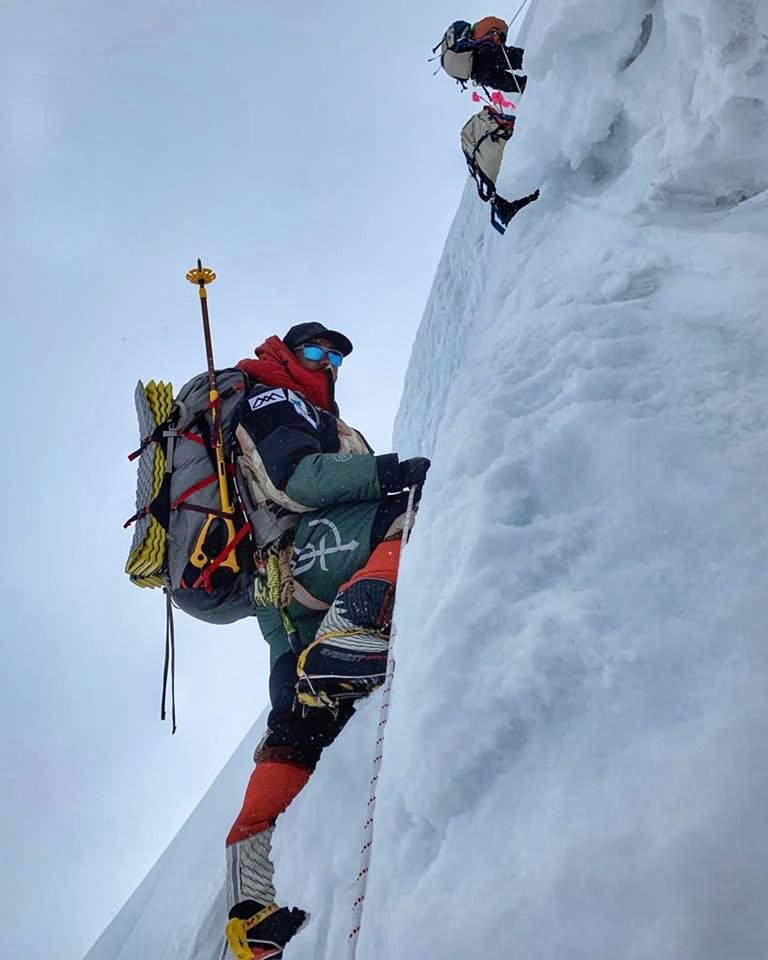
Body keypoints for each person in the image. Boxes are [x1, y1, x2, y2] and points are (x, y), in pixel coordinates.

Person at [223, 322, 430, 960]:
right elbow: (298, 481)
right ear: (287, 351)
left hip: (281, 589)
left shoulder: (308, 410)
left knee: (298, 723)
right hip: (305, 558)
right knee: (410, 508)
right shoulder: (271, 398)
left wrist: (287, 659)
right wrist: (387, 470)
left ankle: (247, 910)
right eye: (316, 349)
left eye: (337, 353)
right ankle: (350, 633)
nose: (329, 361)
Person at [469, 16, 527, 94]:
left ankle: (522, 85)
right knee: (513, 58)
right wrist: (501, 36)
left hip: (477, 74)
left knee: (498, 79)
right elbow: (500, 24)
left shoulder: (468, 46)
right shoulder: (483, 27)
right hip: (485, 53)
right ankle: (532, 59)